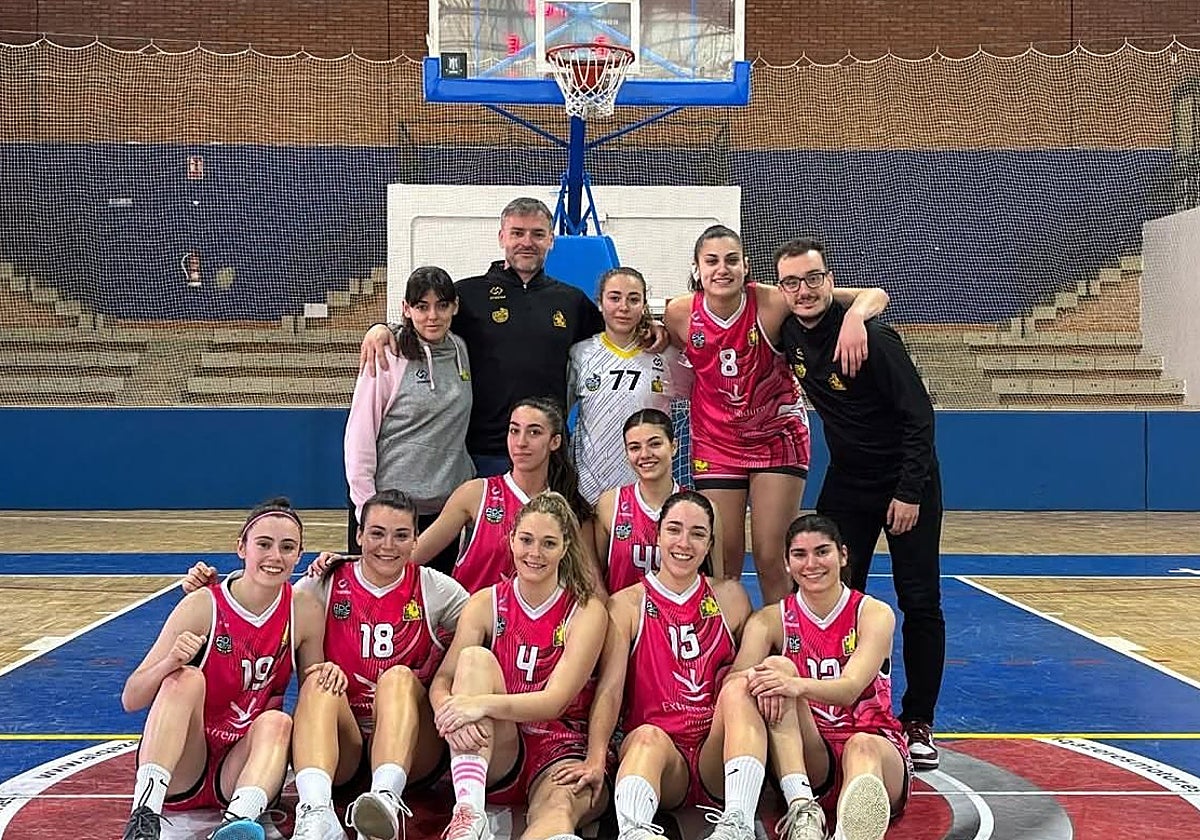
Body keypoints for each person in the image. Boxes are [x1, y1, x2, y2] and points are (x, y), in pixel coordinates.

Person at [181, 490, 470, 840]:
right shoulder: (323, 583)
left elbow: (487, 630)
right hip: (344, 747)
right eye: (377, 533)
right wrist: (210, 592)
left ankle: (385, 800)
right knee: (318, 679)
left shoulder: (437, 590)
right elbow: (264, 600)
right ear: (359, 535)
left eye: (400, 535)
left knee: (397, 677)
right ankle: (317, 813)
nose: (387, 545)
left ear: (415, 540)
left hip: (414, 750)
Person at [775, 238, 944, 770]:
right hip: (848, 480)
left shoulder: (875, 340)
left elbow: (920, 418)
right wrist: (858, 304)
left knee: (919, 598)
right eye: (792, 282)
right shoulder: (787, 331)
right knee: (832, 592)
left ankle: (918, 720)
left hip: (905, 480)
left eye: (814, 278)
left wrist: (909, 492)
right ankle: (841, 704)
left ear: (830, 280)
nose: (804, 291)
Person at [662, 226, 889, 605]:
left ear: (746, 266)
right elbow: (664, 344)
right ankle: (726, 639)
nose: (722, 269)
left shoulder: (772, 302)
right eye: (712, 261)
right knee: (722, 562)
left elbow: (874, 295)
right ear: (697, 268)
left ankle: (785, 637)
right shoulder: (679, 313)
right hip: (716, 441)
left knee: (771, 558)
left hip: (776, 436)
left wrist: (854, 318)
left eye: (732, 260)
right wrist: (654, 335)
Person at [121, 499, 346, 840]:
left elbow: (313, 697)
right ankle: (144, 817)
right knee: (186, 679)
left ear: (300, 555)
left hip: (244, 767)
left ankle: (237, 823)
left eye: (287, 547)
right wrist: (170, 663)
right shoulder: (202, 604)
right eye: (264, 544)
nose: (275, 556)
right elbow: (131, 698)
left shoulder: (304, 610)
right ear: (241, 547)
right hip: (187, 764)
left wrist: (328, 674)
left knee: (278, 721)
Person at [554, 491, 755, 840]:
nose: (684, 543)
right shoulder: (626, 605)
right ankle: (635, 832)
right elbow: (610, 689)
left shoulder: (731, 598)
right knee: (646, 737)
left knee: (741, 686)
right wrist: (596, 757)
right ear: (657, 536)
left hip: (716, 753)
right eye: (674, 530)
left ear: (710, 544)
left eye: (697, 534)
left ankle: (738, 824)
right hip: (662, 758)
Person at [359, 197, 605, 478]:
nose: (527, 242)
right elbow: (427, 322)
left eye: (537, 234)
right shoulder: (468, 295)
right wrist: (384, 329)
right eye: (517, 233)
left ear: (551, 240)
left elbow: (615, 335)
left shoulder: (571, 301)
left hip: (548, 453)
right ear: (502, 237)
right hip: (482, 455)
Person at [429, 491, 609, 840]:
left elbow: (554, 701)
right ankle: (469, 814)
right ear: (511, 539)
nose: (534, 553)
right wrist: (448, 711)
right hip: (499, 748)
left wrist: (477, 705)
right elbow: (443, 679)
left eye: (548, 543)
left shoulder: (586, 610)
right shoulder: (485, 603)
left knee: (557, 811)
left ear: (565, 546)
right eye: (526, 540)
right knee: (474, 659)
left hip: (559, 748)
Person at [727, 515, 912, 840]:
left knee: (861, 745)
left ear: (843, 555)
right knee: (775, 669)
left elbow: (850, 688)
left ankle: (853, 829)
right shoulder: (770, 620)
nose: (811, 564)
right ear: (787, 564)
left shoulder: (873, 613)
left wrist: (794, 684)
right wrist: (767, 678)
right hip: (810, 755)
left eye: (822, 552)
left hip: (876, 751)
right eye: (800, 554)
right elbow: (734, 682)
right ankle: (803, 808)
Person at [344, 266, 474, 571]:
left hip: (442, 515)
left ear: (455, 307)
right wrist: (367, 510)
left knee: (431, 598)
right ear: (406, 308)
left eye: (442, 305)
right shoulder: (387, 354)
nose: (433, 316)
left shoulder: (460, 349)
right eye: (422, 307)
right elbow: (359, 436)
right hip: (389, 512)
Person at [405, 396, 601, 595]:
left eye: (534, 432)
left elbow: (591, 585)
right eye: (514, 431)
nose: (521, 442)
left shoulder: (570, 506)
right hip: (468, 612)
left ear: (555, 441)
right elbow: (410, 558)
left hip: (539, 615)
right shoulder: (475, 494)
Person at [567, 267, 690, 503]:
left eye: (633, 299)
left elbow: (704, 397)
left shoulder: (666, 355)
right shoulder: (581, 354)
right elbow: (559, 411)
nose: (623, 307)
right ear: (600, 303)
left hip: (649, 492)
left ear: (643, 305)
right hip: (590, 491)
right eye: (614, 298)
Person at [593, 409, 724, 589]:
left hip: (684, 608)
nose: (645, 454)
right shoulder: (610, 504)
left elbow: (717, 582)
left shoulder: (705, 509)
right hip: (623, 607)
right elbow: (596, 580)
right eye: (635, 448)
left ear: (673, 446)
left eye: (655, 444)